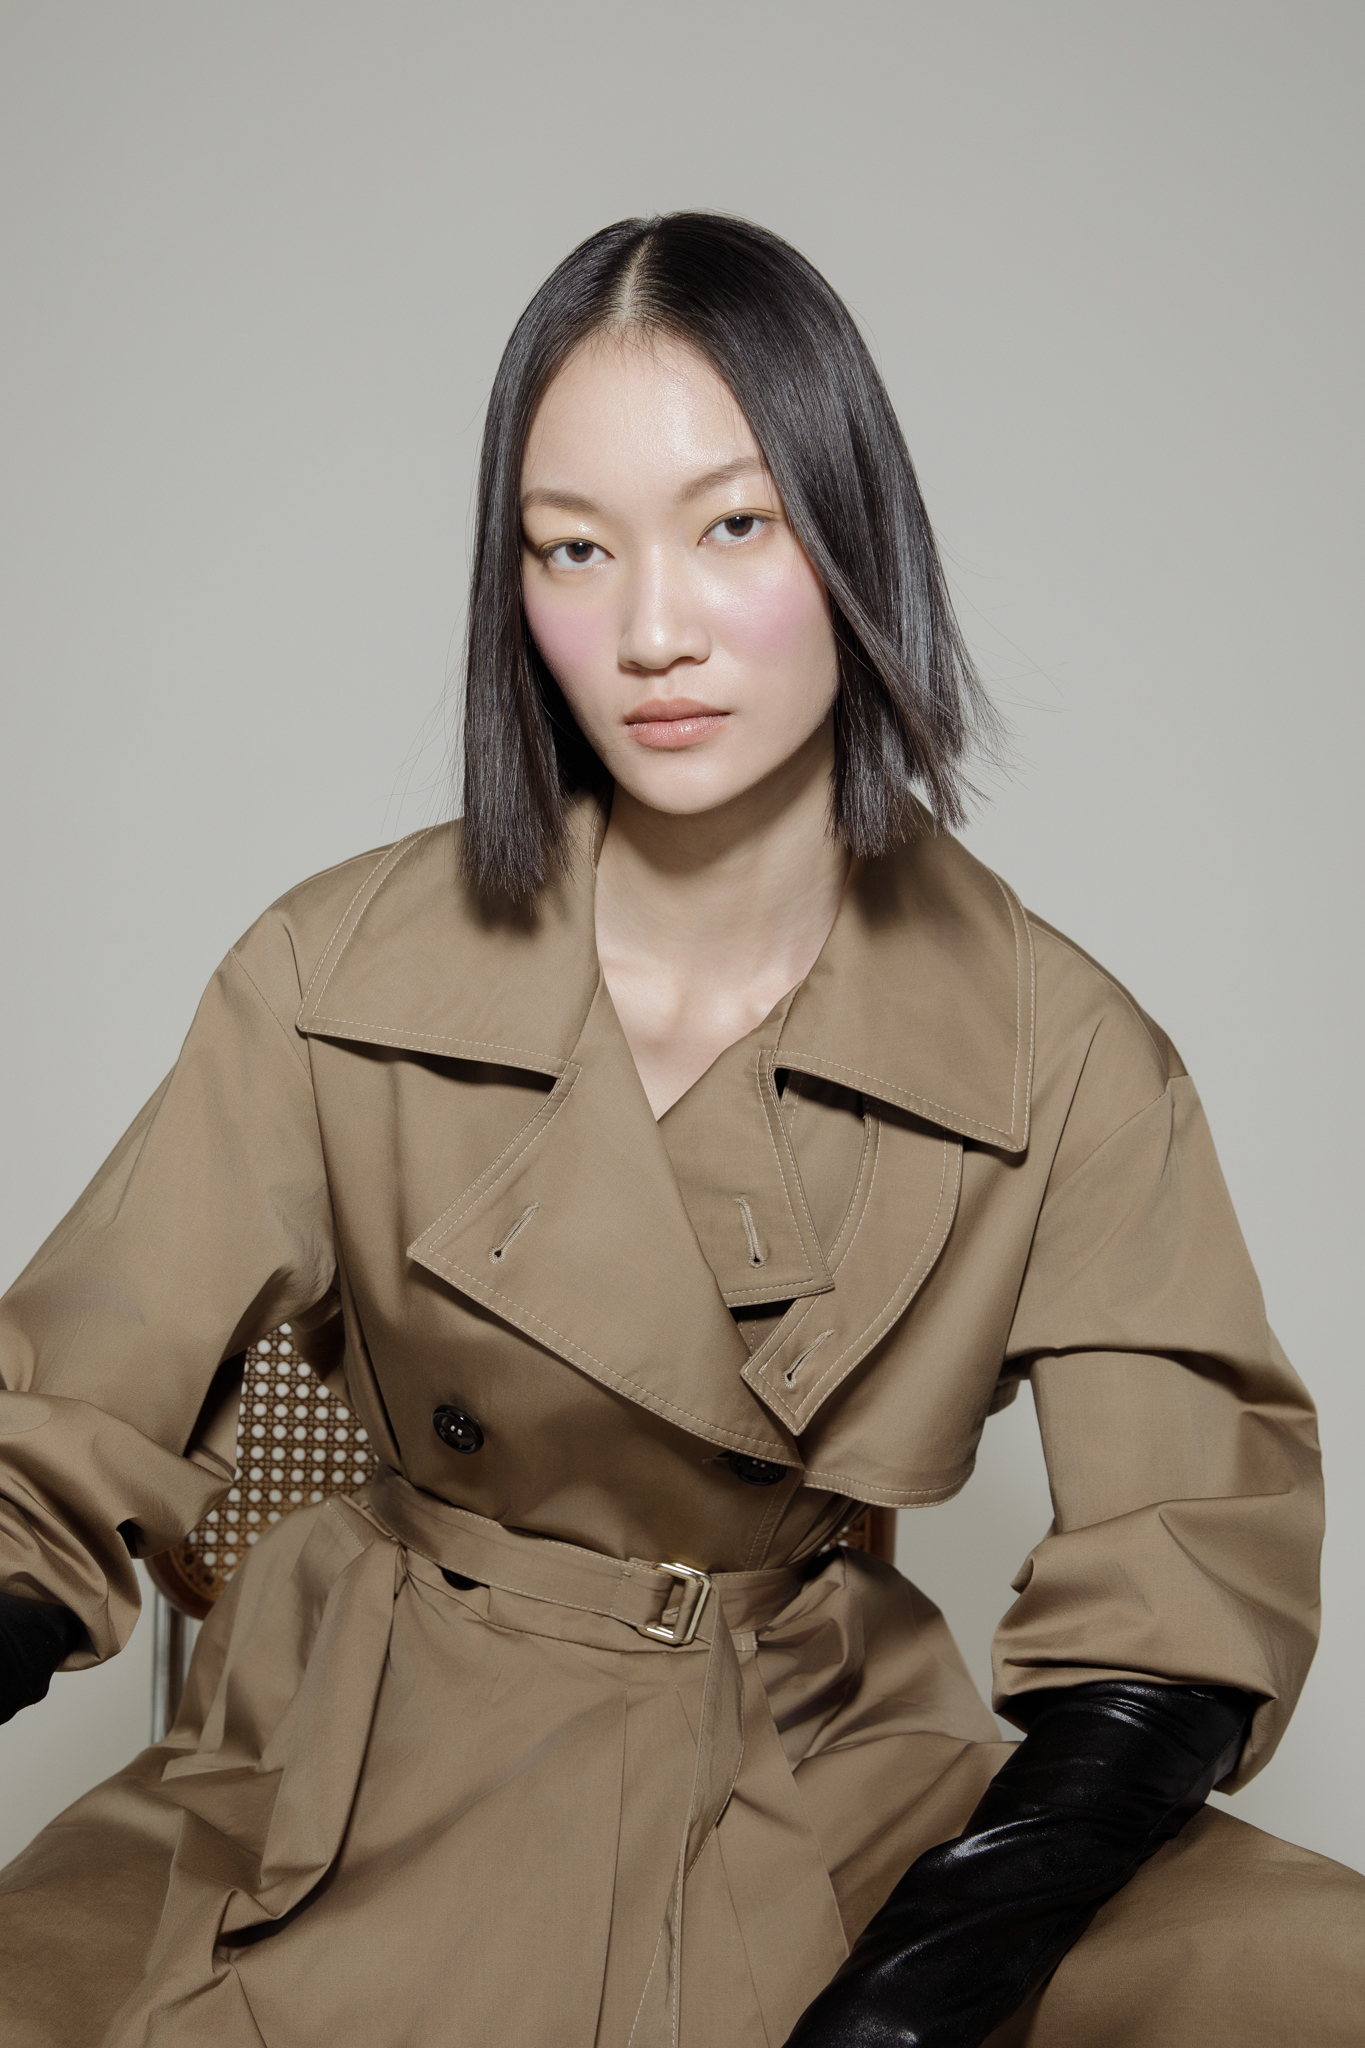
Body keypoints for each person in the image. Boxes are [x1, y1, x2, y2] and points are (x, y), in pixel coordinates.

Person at [0, 213, 1359, 2048]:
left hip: (812, 1769)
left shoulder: (1058, 1055)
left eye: (733, 527)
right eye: (573, 548)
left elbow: (1182, 1582)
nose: (651, 631)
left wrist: (931, 1976)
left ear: (854, 539)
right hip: (363, 1751)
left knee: (1307, 1977)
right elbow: (61, 1429)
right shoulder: (335, 973)